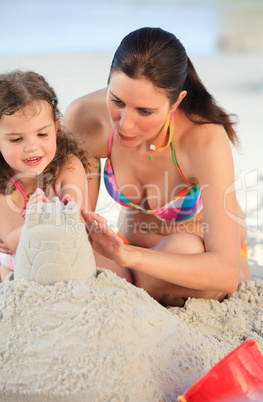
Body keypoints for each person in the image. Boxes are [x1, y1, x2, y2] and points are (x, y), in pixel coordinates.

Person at [64, 27, 251, 307]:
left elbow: (225, 274)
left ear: (175, 101)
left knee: (178, 251)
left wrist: (129, 259)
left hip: (196, 262)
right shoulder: (86, 118)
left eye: (145, 111)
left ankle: (135, 282)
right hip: (126, 251)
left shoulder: (204, 139)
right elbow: (81, 223)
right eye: (117, 101)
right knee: (76, 257)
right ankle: (134, 283)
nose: (124, 124)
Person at [0, 70, 90, 281]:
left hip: (63, 257)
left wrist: (69, 208)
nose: (32, 147)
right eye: (16, 139)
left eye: (42, 134)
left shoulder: (67, 166)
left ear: (56, 129)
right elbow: (14, 242)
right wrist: (35, 217)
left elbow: (75, 222)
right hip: (16, 262)